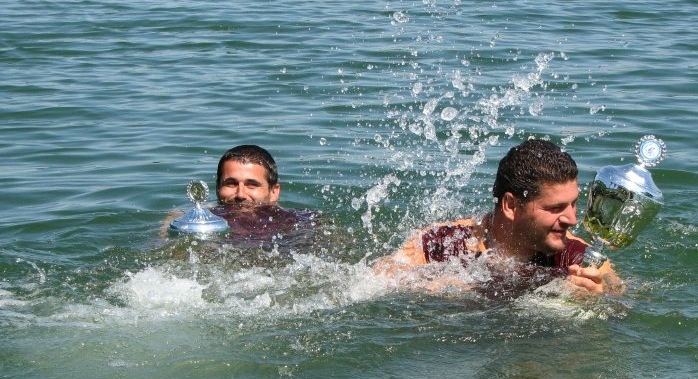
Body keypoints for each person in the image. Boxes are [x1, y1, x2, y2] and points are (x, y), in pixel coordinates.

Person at [374, 138, 623, 296]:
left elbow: (622, 293)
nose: (571, 219)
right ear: (511, 205)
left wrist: (599, 295)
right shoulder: (443, 243)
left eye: (573, 204)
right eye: (556, 208)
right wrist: (433, 287)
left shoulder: (578, 257)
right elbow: (376, 280)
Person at [164, 144, 318, 249]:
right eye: (231, 184)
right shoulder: (182, 220)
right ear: (218, 188)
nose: (240, 195)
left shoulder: (303, 221)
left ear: (274, 191)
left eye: (252, 185)